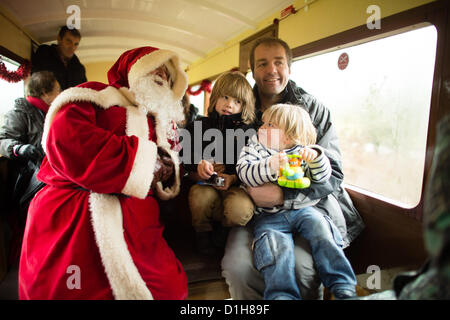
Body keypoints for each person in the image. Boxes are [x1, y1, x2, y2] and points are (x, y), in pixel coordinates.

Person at [19, 46, 188, 300]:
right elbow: (66, 138)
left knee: (169, 287)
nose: (161, 75)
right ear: (133, 70)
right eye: (154, 67)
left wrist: (167, 166)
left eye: (167, 73)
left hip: (139, 218)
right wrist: (142, 161)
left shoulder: (161, 120)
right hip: (77, 208)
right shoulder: (96, 95)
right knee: (74, 287)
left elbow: (169, 164)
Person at [221, 37, 365, 300]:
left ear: (289, 66)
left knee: (303, 268)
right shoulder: (237, 109)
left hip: (309, 207)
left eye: (279, 62)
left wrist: (284, 194)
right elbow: (234, 165)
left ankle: (343, 287)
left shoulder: (313, 109)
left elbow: (331, 171)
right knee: (238, 269)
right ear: (253, 69)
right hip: (256, 212)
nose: (271, 70)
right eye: (262, 64)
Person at [237, 104, 357, 299]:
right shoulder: (254, 148)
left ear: (289, 137)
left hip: (304, 210)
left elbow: (322, 178)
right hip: (269, 217)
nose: (261, 128)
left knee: (321, 230)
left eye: (270, 125)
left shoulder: (303, 152)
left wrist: (317, 158)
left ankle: (342, 284)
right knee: (276, 249)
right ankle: (281, 294)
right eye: (263, 123)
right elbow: (245, 173)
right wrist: (270, 165)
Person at [181, 71, 257, 255]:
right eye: (225, 97)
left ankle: (223, 234)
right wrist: (198, 163)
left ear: (244, 106)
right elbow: (183, 153)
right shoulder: (198, 125)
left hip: (236, 187)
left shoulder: (250, 131)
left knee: (241, 209)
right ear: (215, 97)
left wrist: (234, 177)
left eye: (237, 101)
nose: (229, 104)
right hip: (205, 185)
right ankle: (202, 235)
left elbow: (255, 162)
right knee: (199, 197)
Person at [0, 71, 61, 217]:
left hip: (52, 171)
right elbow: (3, 140)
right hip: (31, 172)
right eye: (57, 90)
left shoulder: (55, 113)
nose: (61, 94)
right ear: (45, 93)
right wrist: (19, 148)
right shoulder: (20, 113)